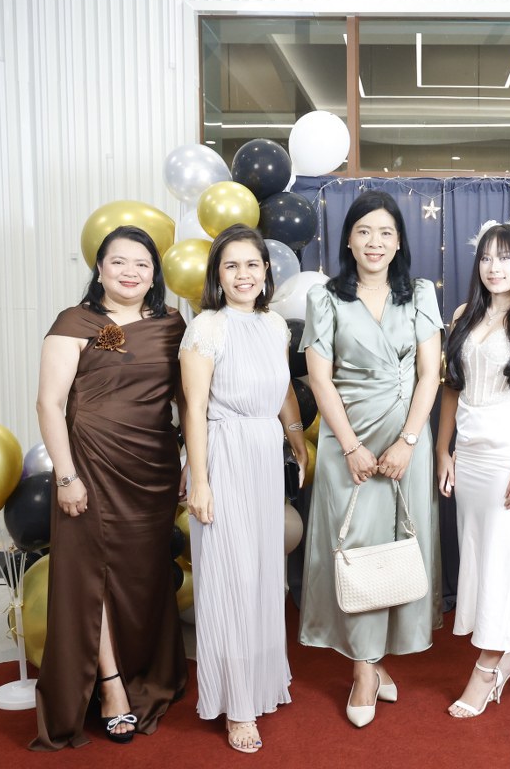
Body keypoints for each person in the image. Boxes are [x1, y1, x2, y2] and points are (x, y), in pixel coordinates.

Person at [32, 225, 187, 749]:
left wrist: (189, 459)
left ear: (154, 273)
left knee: (142, 577)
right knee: (90, 576)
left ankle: (143, 669)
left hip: (153, 469)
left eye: (142, 263)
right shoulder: (74, 322)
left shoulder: (172, 323)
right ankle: (111, 685)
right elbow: (49, 403)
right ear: (99, 269)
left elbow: (187, 399)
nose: (130, 272)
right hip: (90, 467)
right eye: (118, 261)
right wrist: (66, 475)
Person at [298, 190, 443, 728]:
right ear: (348, 240)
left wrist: (409, 440)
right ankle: (362, 668)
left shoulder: (419, 293)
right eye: (364, 232)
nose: (374, 242)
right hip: (349, 440)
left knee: (399, 546)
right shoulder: (325, 298)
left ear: (399, 241)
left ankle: (378, 661)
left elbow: (430, 373)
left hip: (408, 440)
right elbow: (320, 378)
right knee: (354, 548)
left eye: (385, 232)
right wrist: (351, 446)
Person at [180, 224, 309, 754]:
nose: (243, 275)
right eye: (231, 265)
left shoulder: (274, 324)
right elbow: (193, 409)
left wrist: (296, 438)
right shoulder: (206, 328)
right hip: (225, 453)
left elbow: (281, 390)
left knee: (260, 574)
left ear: (266, 270)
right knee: (229, 577)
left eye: (251, 264)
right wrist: (200, 480)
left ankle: (261, 681)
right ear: (217, 274)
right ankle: (236, 706)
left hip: (263, 454)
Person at [436, 223, 510, 718]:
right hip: (470, 454)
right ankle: (505, 655)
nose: (494, 267)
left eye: (505, 257)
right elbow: (452, 388)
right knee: (477, 556)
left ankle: (488, 666)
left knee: (502, 560)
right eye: (486, 257)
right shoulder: (463, 315)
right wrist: (443, 451)